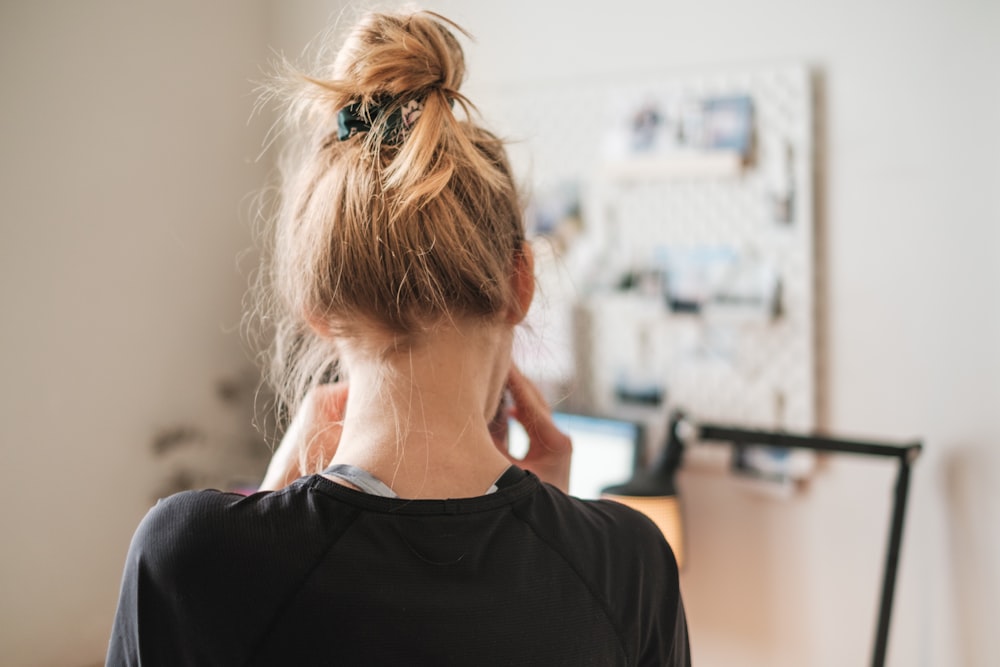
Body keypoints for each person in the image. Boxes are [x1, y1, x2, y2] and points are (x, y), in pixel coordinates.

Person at [107, 9, 689, 666]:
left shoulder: (190, 557)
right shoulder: (631, 565)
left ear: (313, 304)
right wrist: (564, 531)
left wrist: (272, 509)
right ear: (520, 282)